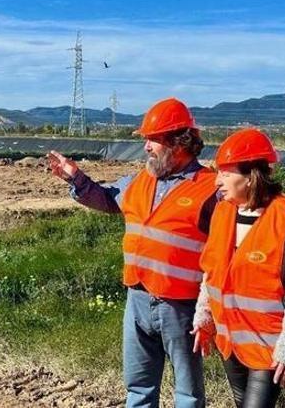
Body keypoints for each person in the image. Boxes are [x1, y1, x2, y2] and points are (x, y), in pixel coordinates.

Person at [48, 97, 218, 408]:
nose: (146, 147)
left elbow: (222, 254)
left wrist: (208, 310)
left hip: (182, 305)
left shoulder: (210, 189)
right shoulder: (140, 181)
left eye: (152, 140)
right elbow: (107, 198)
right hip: (137, 299)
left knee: (188, 394)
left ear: (178, 142)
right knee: (138, 389)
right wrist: (76, 178)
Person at [192, 128, 285, 408]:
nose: (217, 180)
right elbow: (213, 272)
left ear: (251, 176)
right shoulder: (223, 212)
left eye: (226, 174)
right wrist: (204, 317)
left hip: (271, 345)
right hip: (230, 340)